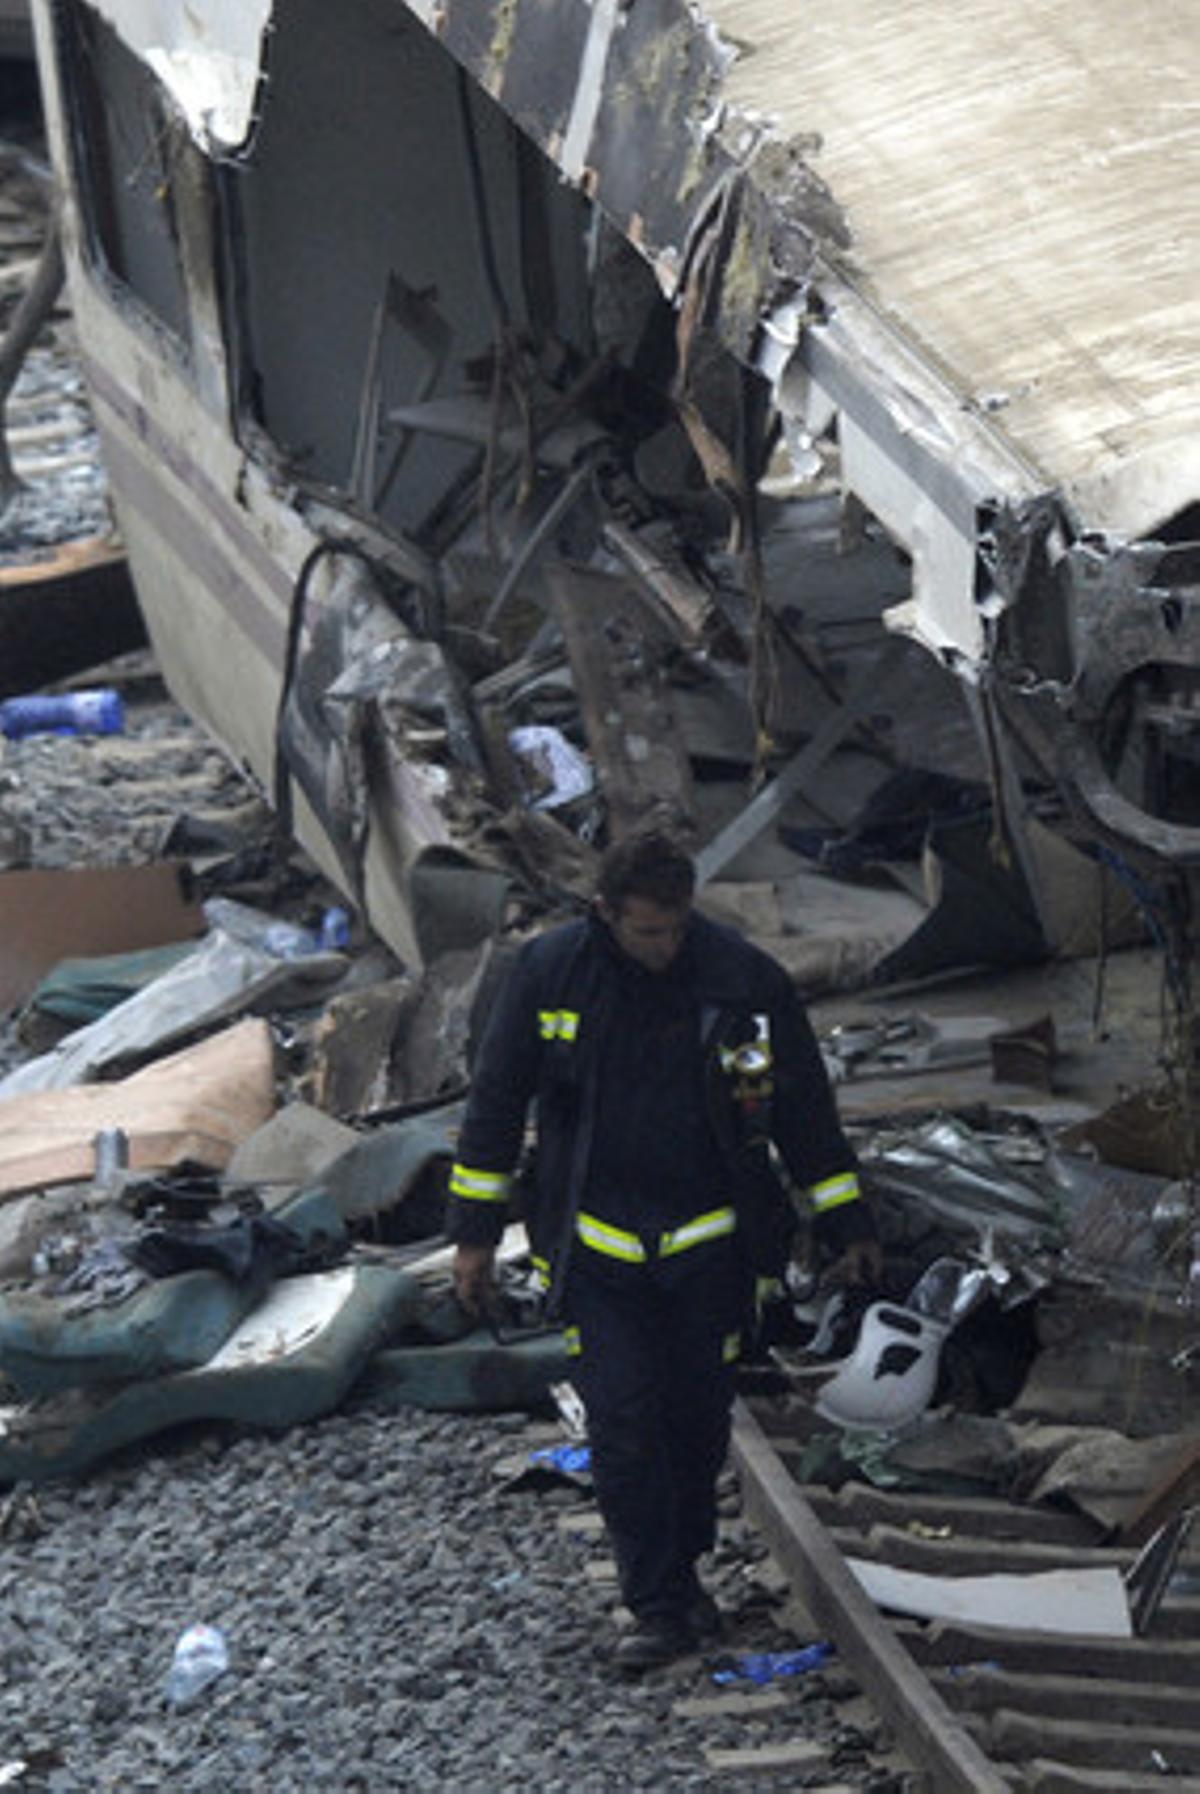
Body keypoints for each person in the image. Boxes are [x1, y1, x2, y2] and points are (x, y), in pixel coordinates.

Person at [446, 829, 879, 1670]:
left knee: (691, 1423)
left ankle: (681, 1574)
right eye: (647, 932)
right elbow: (495, 1109)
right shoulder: (549, 976)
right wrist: (473, 1239)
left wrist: (847, 1222)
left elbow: (802, 1113)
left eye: (676, 929)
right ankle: (655, 1603)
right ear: (605, 914)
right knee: (622, 1423)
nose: (665, 947)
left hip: (710, 1252)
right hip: (597, 1253)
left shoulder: (741, 983)